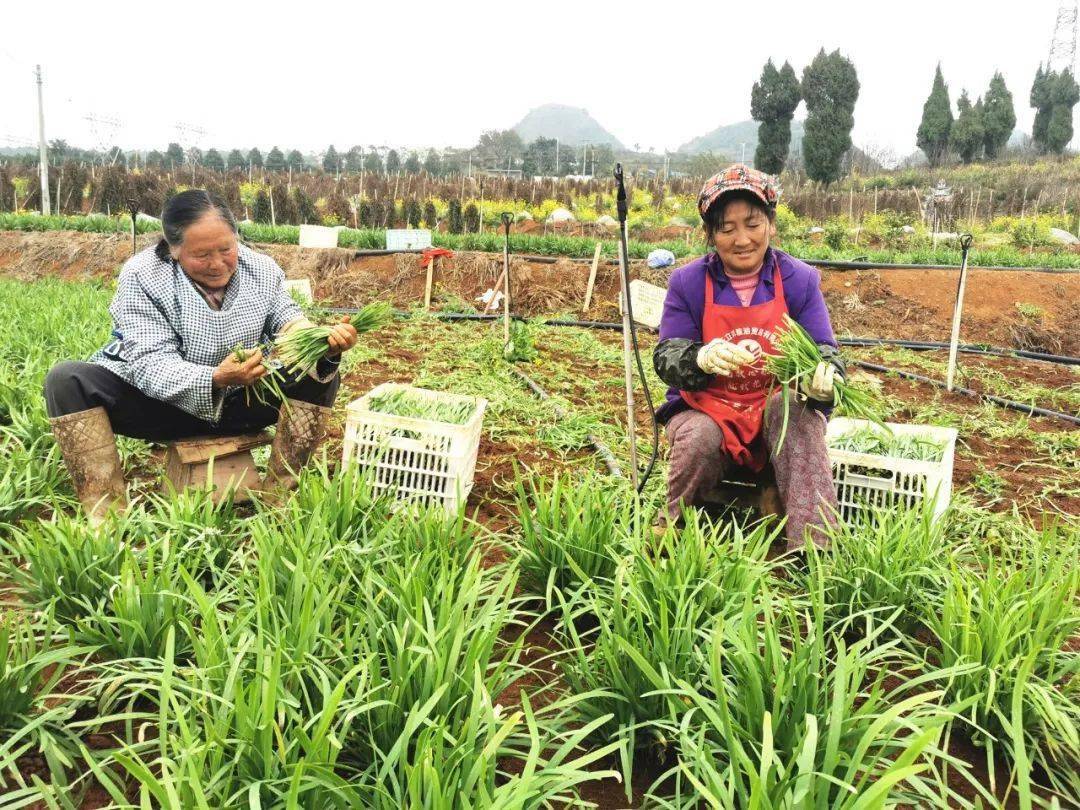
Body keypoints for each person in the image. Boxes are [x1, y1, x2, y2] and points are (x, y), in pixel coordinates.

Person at [44, 190, 358, 523]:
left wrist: (320, 338)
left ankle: (280, 497)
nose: (218, 263)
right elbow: (150, 363)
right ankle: (107, 519)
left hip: (241, 401)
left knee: (320, 368)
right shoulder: (142, 275)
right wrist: (215, 377)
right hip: (161, 408)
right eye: (202, 254)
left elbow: (287, 317)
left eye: (226, 249)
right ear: (174, 249)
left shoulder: (261, 270)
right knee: (66, 381)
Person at [652, 165, 843, 550]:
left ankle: (816, 550)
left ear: (771, 225)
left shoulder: (799, 280)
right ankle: (669, 533)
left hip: (772, 412)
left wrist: (824, 376)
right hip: (709, 410)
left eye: (753, 224)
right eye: (726, 228)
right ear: (710, 235)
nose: (742, 239)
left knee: (798, 414)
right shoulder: (687, 283)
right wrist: (700, 358)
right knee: (697, 437)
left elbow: (826, 349)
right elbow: (666, 356)